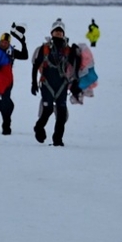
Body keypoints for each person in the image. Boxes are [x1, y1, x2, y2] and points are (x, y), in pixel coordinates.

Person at [31, 19, 82, 147]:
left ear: (63, 34)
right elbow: (35, 65)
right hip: (47, 84)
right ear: (52, 33)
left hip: (62, 85)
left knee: (61, 113)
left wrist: (77, 55)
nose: (58, 34)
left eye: (60, 32)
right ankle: (39, 128)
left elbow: (76, 67)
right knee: (47, 110)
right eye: (56, 31)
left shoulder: (68, 50)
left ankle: (57, 140)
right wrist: (33, 83)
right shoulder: (44, 49)